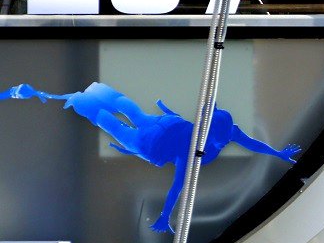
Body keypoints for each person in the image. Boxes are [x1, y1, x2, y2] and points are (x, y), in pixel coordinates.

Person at [1, 82, 300, 232]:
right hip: (154, 138)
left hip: (160, 130)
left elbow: (252, 145)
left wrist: (278, 153)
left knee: (125, 114)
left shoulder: (221, 132)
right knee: (116, 121)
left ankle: (80, 95)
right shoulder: (207, 140)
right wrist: (164, 217)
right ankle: (74, 99)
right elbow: (178, 184)